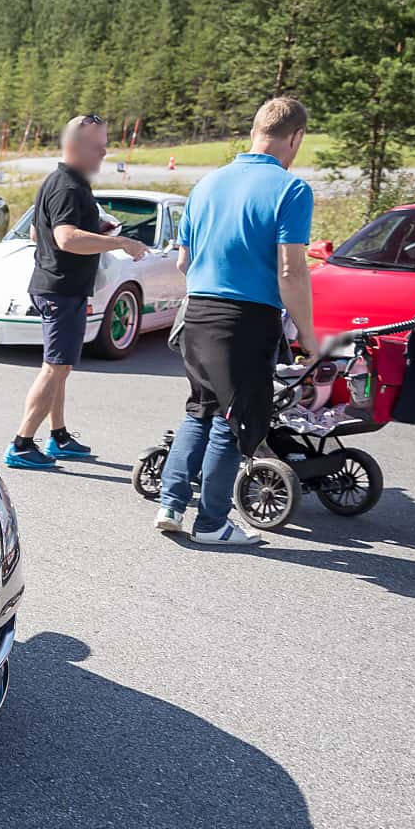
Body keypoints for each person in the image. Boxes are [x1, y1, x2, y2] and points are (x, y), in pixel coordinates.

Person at [155, 97, 317, 547]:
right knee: (235, 420)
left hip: (196, 313)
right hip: (246, 319)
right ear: (296, 137)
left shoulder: (207, 183)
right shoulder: (292, 189)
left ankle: (170, 505)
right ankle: (211, 524)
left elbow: (184, 262)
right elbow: (291, 271)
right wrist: (307, 332)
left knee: (200, 409)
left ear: (254, 131)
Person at [4, 115, 148, 470]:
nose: (104, 153)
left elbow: (39, 233)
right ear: (74, 147)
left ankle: (58, 435)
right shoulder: (68, 187)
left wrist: (95, 229)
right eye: (98, 147)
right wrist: (120, 242)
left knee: (60, 367)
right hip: (61, 291)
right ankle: (21, 444)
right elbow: (65, 238)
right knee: (54, 368)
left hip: (57, 287)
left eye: (104, 146)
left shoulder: (61, 182)